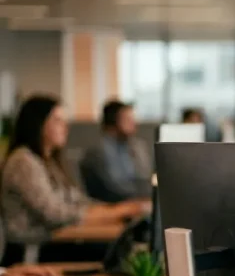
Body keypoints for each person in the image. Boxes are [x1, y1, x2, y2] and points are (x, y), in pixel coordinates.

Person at [0, 95, 144, 262]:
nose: (65, 127)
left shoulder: (49, 161)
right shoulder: (23, 161)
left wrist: (117, 210)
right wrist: (117, 211)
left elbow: (78, 201)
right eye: (57, 120)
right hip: (31, 251)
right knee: (115, 254)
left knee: (120, 248)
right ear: (38, 124)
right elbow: (55, 214)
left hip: (53, 242)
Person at [81, 100, 152, 203]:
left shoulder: (136, 146)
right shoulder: (99, 151)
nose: (134, 123)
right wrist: (147, 195)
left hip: (137, 202)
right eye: (128, 119)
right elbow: (115, 188)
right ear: (113, 121)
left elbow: (146, 176)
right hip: (113, 206)